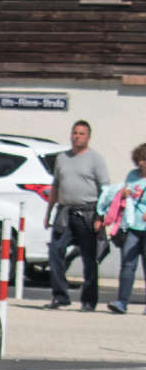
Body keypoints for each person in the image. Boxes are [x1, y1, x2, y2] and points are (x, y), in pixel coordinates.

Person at [45, 120, 110, 311]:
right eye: (75, 133)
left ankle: (89, 301)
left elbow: (105, 190)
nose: (77, 137)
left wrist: (100, 216)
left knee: (89, 258)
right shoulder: (62, 158)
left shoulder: (95, 159)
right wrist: (48, 213)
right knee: (55, 251)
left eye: (82, 134)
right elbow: (56, 186)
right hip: (65, 212)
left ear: (88, 137)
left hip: (88, 213)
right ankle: (60, 296)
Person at [100, 143, 146, 314]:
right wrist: (123, 194)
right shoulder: (132, 175)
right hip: (132, 227)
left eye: (145, 159)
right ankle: (121, 302)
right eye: (140, 159)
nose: (142, 163)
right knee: (128, 265)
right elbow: (125, 195)